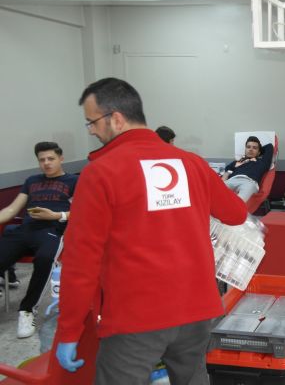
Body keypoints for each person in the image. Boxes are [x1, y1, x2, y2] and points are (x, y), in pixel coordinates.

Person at [56, 77, 248, 384]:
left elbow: (80, 261)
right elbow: (236, 214)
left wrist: (69, 331)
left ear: (116, 119)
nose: (91, 131)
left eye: (92, 122)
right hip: (198, 309)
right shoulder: (192, 164)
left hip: (135, 318)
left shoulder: (101, 172)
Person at [0, 141, 77, 338]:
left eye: (51, 158)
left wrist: (55, 215)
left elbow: (82, 211)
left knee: (44, 259)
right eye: (42, 160)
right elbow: (12, 209)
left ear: (61, 158)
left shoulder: (73, 181)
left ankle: (27, 310)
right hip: (25, 229)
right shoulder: (31, 181)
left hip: (52, 230)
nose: (46, 163)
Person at [223, 136, 274, 202]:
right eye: (248, 147)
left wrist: (259, 151)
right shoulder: (237, 162)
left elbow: (269, 146)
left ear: (259, 152)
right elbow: (228, 171)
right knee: (215, 193)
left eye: (254, 148)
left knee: (238, 203)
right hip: (232, 180)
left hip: (249, 182)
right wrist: (223, 182)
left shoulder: (262, 162)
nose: (250, 149)